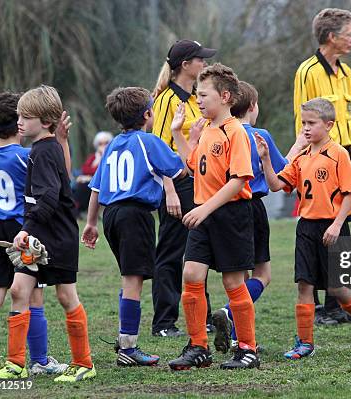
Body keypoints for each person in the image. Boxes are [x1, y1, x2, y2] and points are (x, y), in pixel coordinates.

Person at [257, 97, 351, 359]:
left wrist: (337, 225)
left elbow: (350, 194)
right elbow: (276, 185)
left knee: (337, 288)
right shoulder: (301, 157)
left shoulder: (339, 154)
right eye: (303, 123)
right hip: (306, 228)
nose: (306, 128)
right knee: (304, 284)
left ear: (329, 125)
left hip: (332, 227)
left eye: (311, 123)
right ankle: (305, 342)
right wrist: (266, 160)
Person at [0, 85, 95, 382]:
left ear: (45, 121)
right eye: (18, 115)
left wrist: (26, 230)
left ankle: (84, 363)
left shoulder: (45, 152)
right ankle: (15, 363)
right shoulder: (41, 148)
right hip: (37, 236)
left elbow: (48, 198)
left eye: (26, 116)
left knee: (65, 295)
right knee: (19, 290)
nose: (19, 121)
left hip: (57, 237)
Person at [0, 92, 69, 379]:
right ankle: (40, 360)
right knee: (33, 296)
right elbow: (57, 184)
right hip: (25, 230)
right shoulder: (28, 155)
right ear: (19, 124)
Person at [81, 87, 185, 366]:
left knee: (130, 277)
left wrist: (91, 223)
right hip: (134, 216)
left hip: (111, 215)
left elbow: (95, 187)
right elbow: (180, 168)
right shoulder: (148, 142)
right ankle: (128, 348)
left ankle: (125, 337)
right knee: (133, 282)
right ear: (148, 114)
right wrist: (187, 138)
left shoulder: (113, 144)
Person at [167, 63, 259, 370]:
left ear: (225, 96)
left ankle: (247, 349)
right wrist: (177, 134)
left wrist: (205, 208)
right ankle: (198, 347)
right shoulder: (206, 129)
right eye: (197, 94)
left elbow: (238, 180)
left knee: (233, 281)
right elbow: (193, 165)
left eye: (204, 95)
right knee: (191, 275)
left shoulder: (236, 132)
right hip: (204, 214)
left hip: (230, 214)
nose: (198, 100)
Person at [211, 81, 306, 352]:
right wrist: (298, 144)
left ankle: (237, 337)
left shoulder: (219, 133)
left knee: (235, 278)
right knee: (262, 274)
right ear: (252, 107)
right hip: (251, 208)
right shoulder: (258, 134)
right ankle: (229, 314)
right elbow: (282, 171)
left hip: (222, 207)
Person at [294, 7, 351, 325]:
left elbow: (347, 118)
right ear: (332, 37)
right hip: (317, 160)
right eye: (350, 33)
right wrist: (302, 157)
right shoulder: (308, 71)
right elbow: (303, 118)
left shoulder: (346, 71)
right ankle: (326, 305)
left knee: (342, 222)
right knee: (320, 221)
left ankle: (339, 302)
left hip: (345, 155)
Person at [150, 39, 217, 337]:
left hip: (195, 185)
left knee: (197, 251)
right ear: (185, 65)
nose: (204, 63)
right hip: (177, 186)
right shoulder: (167, 100)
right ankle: (164, 322)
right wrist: (170, 190)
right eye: (200, 59)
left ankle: (203, 316)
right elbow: (159, 148)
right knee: (171, 252)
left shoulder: (193, 99)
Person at [73, 131, 113, 216]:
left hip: (105, 183)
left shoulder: (111, 157)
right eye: (100, 144)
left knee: (85, 186)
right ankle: (75, 209)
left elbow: (104, 172)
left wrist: (90, 178)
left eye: (106, 143)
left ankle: (78, 210)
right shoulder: (94, 157)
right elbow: (85, 169)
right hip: (91, 183)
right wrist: (96, 161)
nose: (103, 146)